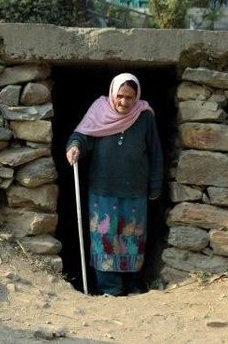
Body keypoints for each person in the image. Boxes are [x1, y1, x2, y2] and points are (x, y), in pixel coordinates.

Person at [66, 73, 163, 296]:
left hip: (135, 191)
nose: (124, 102)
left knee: (132, 239)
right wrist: (74, 147)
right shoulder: (99, 110)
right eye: (120, 96)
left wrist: (155, 185)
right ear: (112, 93)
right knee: (105, 239)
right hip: (103, 191)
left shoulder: (145, 116)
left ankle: (131, 286)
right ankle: (110, 288)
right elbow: (82, 135)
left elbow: (155, 153)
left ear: (137, 96)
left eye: (130, 97)